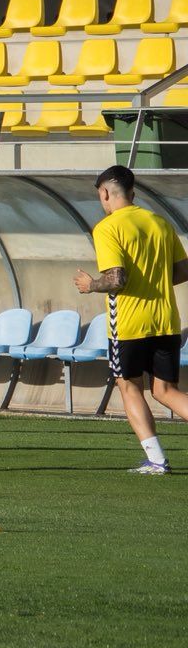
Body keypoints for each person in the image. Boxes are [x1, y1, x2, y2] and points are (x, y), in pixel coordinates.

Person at [74, 165, 188, 475]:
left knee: (129, 387)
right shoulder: (160, 223)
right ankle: (156, 461)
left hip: (129, 323)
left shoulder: (108, 228)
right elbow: (183, 270)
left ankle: (156, 460)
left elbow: (117, 279)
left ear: (105, 193)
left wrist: (90, 285)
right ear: (133, 193)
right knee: (165, 391)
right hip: (165, 320)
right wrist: (154, 282)